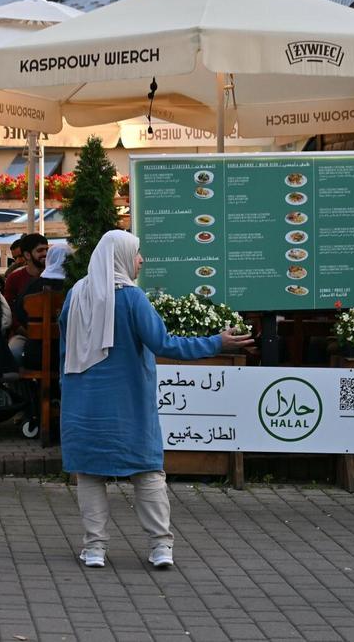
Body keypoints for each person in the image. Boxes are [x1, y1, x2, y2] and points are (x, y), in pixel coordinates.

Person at [60, 230, 252, 570]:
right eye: (137, 253)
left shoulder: (76, 295)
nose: (141, 260)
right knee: (147, 471)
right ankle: (161, 547)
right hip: (129, 404)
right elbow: (164, 344)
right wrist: (215, 344)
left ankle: (94, 550)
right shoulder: (133, 299)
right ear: (121, 257)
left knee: (89, 475)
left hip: (83, 404)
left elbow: (65, 349)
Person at [14, 244, 69, 368]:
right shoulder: (74, 286)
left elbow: (19, 312)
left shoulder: (32, 285)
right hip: (67, 354)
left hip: (35, 353)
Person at [4, 233, 49, 361]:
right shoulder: (14, 278)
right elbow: (9, 310)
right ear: (27, 255)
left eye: (47, 249)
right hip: (24, 333)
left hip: (55, 334)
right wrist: (22, 329)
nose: (45, 254)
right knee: (14, 351)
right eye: (40, 250)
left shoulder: (56, 276)